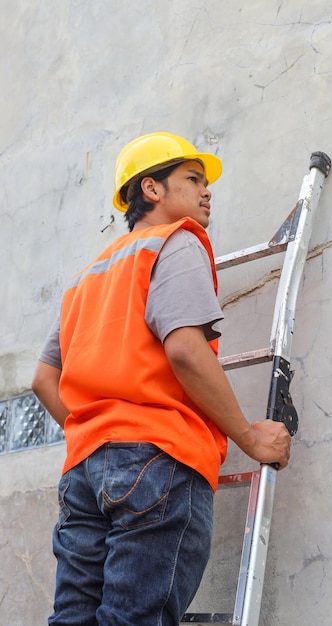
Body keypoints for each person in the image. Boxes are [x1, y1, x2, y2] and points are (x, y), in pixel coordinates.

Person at [32, 131, 291, 626]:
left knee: (73, 619)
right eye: (193, 179)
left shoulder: (89, 275)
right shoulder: (178, 240)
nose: (206, 191)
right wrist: (249, 438)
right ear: (151, 189)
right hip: (157, 459)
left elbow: (45, 380)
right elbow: (186, 352)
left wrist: (96, 434)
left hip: (83, 473)